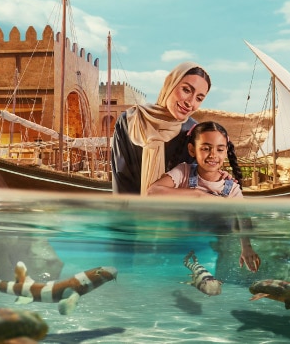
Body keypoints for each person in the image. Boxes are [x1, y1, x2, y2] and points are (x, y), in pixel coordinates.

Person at [147, 121, 261, 272]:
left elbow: (243, 218)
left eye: (220, 149)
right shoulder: (183, 172)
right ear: (192, 150)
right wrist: (198, 195)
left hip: (207, 253)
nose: (213, 155)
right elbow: (152, 192)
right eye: (206, 148)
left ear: (226, 152)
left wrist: (246, 248)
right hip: (173, 249)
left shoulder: (232, 189)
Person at [111, 61, 211, 195]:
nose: (190, 103)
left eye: (199, 98)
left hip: (172, 212)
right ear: (170, 84)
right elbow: (121, 178)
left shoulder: (194, 132)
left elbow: (194, 182)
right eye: (186, 90)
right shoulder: (131, 120)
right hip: (130, 211)